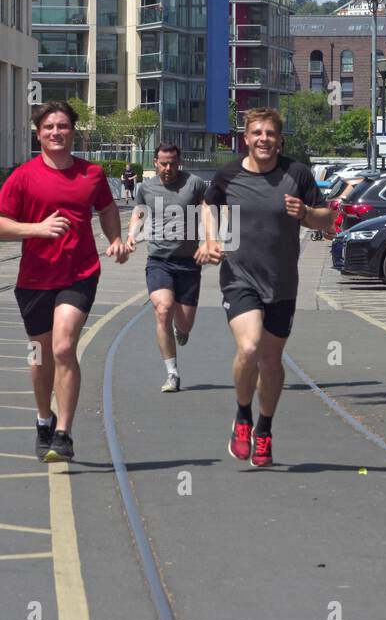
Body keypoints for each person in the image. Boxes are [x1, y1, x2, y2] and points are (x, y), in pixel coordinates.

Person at [0, 101, 131, 463]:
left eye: (63, 126)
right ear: (38, 134)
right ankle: (43, 420)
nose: (56, 132)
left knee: (64, 347)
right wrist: (37, 229)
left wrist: (114, 238)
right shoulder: (23, 176)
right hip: (35, 278)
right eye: (49, 127)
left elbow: (107, 208)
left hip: (79, 273)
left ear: (73, 131)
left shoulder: (91, 174)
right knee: (39, 356)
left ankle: (64, 433)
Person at [196, 108, 335, 468]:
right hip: (239, 277)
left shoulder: (297, 174)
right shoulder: (228, 174)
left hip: (282, 283)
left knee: (271, 361)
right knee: (250, 346)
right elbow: (208, 205)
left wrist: (305, 212)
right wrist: (210, 239)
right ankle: (242, 417)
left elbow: (328, 219)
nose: (264, 139)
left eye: (270, 133)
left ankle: (265, 427)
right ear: (246, 138)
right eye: (257, 133)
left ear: (279, 138)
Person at [127, 143, 208, 392]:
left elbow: (207, 210)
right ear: (155, 162)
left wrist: (210, 240)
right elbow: (139, 213)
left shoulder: (194, 184)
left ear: (179, 161)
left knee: (184, 325)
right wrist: (132, 235)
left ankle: (180, 329)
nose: (168, 168)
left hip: (189, 262)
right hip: (159, 260)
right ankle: (172, 373)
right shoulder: (146, 188)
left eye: (172, 162)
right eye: (163, 163)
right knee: (163, 309)